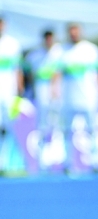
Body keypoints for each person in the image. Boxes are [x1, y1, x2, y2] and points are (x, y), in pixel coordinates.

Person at [53, 23, 98, 173]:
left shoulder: (92, 50)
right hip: (68, 100)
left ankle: (95, 163)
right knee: (67, 131)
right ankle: (68, 164)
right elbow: (56, 75)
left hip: (89, 98)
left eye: (76, 31)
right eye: (71, 31)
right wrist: (55, 95)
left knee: (93, 130)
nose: (74, 34)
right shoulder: (61, 51)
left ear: (81, 32)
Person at [23, 30, 62, 144]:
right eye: (47, 38)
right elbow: (27, 72)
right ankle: (42, 143)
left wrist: (55, 86)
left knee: (56, 117)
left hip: (58, 89)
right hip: (41, 88)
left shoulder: (60, 52)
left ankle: (56, 141)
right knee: (42, 114)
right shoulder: (34, 55)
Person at [0, 16, 24, 173]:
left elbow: (18, 69)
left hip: (9, 95)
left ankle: (4, 162)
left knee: (7, 128)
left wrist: (19, 91)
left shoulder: (13, 44)